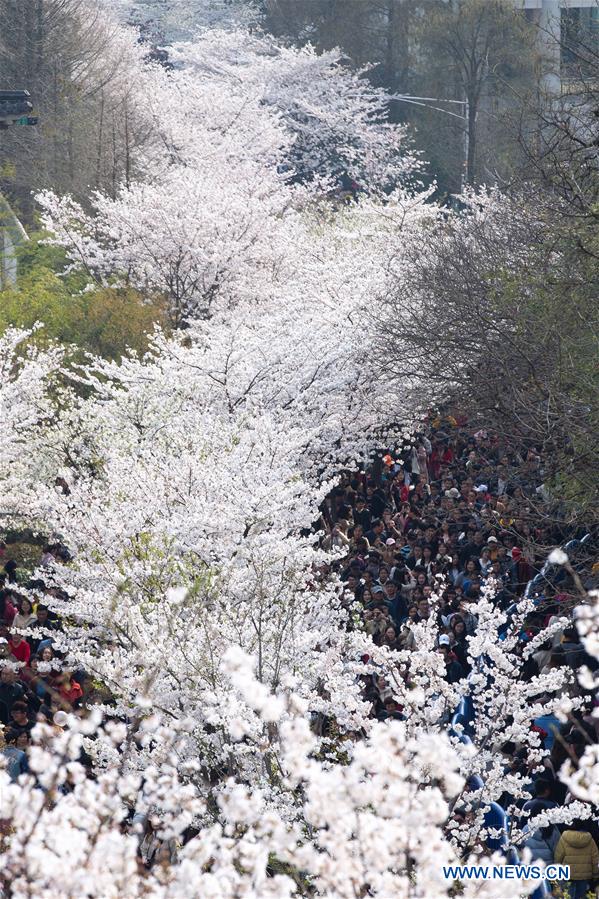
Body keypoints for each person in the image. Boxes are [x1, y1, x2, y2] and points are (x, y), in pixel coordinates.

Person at [554, 822, 599, 899]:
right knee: (581, 896)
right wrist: (595, 875)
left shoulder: (564, 838)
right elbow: (595, 859)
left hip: (568, 874)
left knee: (568, 895)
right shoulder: (590, 840)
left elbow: (558, 856)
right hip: (584, 876)